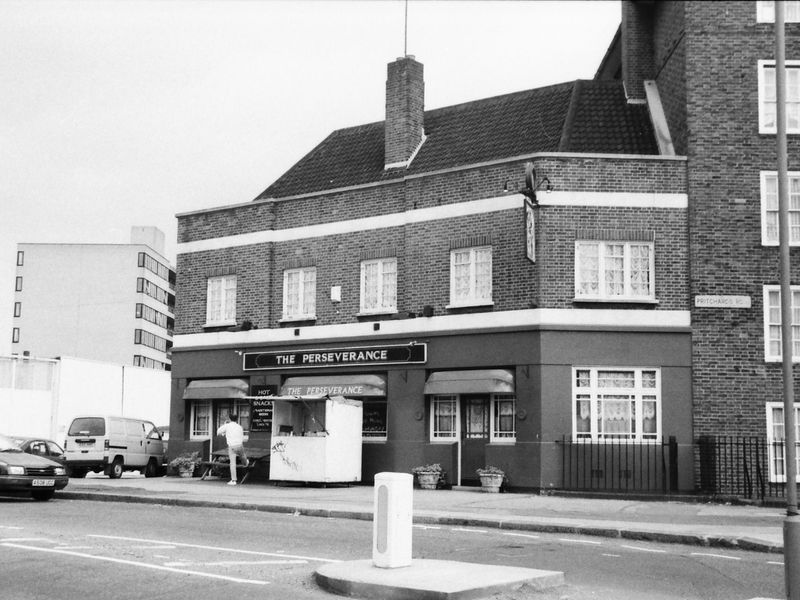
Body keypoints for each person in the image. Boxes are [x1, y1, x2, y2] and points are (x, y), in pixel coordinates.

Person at [216, 413, 248, 485]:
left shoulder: (227, 426)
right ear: (237, 419)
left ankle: (233, 480)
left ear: (229, 419)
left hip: (232, 446)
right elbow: (241, 436)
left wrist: (224, 427)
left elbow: (218, 432)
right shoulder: (240, 427)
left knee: (232, 463)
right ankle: (246, 463)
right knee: (243, 456)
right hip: (239, 445)